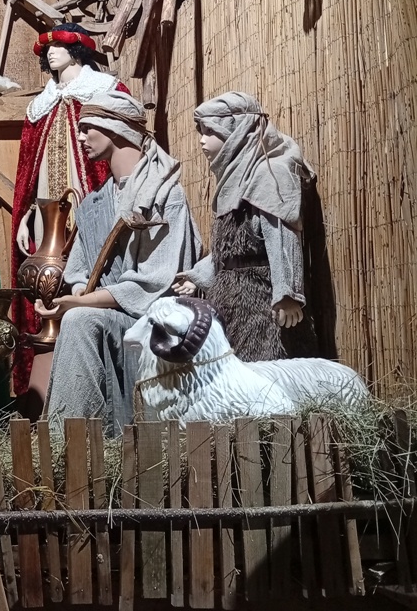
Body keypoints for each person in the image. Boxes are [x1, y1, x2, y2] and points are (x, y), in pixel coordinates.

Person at [37, 91, 202, 434]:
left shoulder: (164, 196)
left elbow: (155, 282)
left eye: (88, 128)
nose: (81, 137)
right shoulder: (94, 203)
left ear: (114, 128)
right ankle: (80, 439)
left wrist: (81, 304)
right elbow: (79, 271)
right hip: (106, 312)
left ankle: (70, 439)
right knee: (79, 318)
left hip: (156, 320)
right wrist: (77, 294)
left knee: (80, 319)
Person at [11, 23, 127, 396]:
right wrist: (26, 214)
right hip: (46, 212)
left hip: (90, 206)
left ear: (77, 50)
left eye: (58, 46)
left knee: (90, 274)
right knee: (46, 279)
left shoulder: (104, 90)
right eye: (47, 49)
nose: (51, 53)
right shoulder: (40, 107)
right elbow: (28, 172)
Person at [173, 91, 316, 360]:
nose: (202, 140)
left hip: (262, 304)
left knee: (266, 368)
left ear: (237, 131)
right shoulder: (234, 179)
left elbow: (282, 239)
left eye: (210, 131)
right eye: (201, 131)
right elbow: (230, 250)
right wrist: (197, 276)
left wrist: (287, 294)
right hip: (230, 302)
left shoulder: (270, 173)